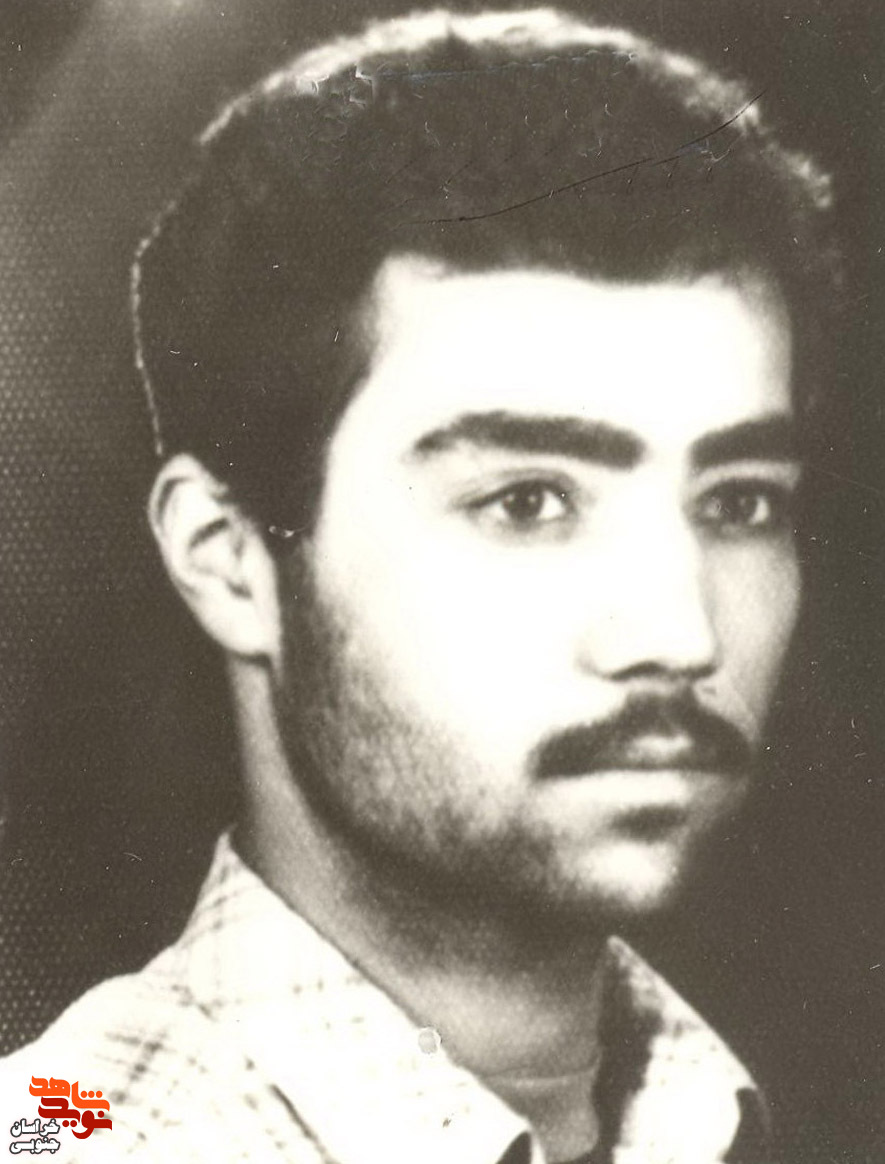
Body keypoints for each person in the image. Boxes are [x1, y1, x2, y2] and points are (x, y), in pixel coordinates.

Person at [1, 8, 842, 1162]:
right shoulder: (67, 1131)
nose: (682, 632)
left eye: (738, 502)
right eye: (527, 500)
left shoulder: (705, 1119)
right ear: (229, 558)